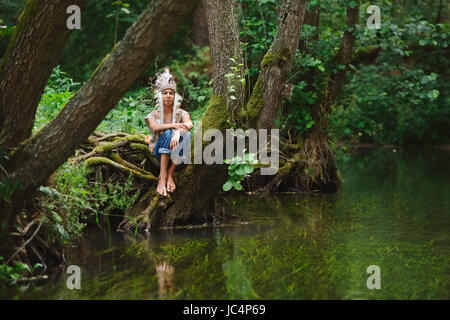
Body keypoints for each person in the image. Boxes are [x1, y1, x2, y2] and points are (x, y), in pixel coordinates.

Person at [144, 68, 193, 196]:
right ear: (160, 95)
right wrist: (175, 126)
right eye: (165, 93)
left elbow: (189, 124)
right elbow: (155, 127)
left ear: (175, 96)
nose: (168, 96)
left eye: (171, 93)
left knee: (187, 134)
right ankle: (162, 177)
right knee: (166, 133)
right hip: (158, 156)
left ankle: (169, 174)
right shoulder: (153, 115)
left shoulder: (182, 113)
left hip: (178, 160)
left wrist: (177, 131)